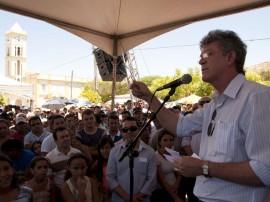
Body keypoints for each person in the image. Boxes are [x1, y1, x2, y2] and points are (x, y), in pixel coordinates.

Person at [130, 30, 270, 201]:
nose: (200, 60)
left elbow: (265, 170)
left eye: (209, 54)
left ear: (230, 57)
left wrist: (204, 167)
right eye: (201, 55)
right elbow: (179, 126)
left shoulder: (257, 97)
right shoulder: (215, 103)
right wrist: (149, 97)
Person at [106, 116, 157, 202]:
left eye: (133, 128)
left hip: (141, 199)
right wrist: (126, 197)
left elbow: (152, 178)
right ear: (122, 131)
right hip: (119, 199)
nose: (129, 132)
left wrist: (138, 197)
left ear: (139, 129)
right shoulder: (114, 151)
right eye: (126, 129)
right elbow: (110, 177)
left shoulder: (150, 152)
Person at [152, 129, 183, 202]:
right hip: (162, 191)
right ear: (160, 142)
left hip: (176, 188)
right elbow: (161, 179)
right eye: (165, 140)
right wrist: (175, 197)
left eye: (171, 140)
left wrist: (176, 185)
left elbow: (179, 173)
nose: (169, 143)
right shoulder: (155, 156)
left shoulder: (174, 153)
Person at [91, 136, 114, 202]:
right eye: (102, 148)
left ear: (112, 148)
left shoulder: (117, 161)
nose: (105, 151)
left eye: (107, 147)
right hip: (104, 193)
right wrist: (98, 183)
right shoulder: (99, 162)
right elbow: (91, 172)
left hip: (117, 191)